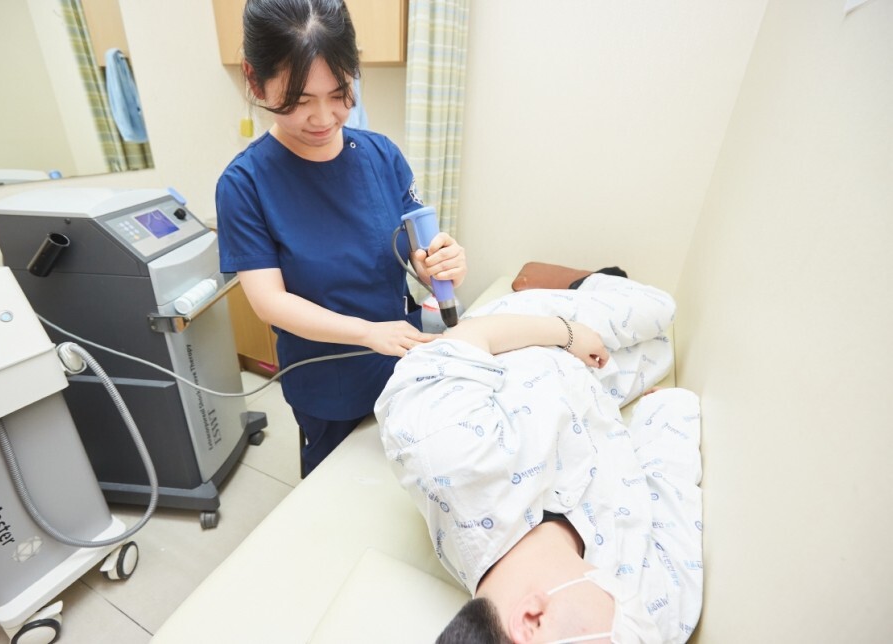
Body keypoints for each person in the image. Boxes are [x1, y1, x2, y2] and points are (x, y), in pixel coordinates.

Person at [375, 271, 703, 643]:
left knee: (659, 309)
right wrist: (663, 410)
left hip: (526, 344)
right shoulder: (659, 612)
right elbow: (672, 470)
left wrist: (568, 333)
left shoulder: (448, 455)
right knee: (662, 351)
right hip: (592, 397)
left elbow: (471, 337)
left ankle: (580, 283)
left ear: (532, 619)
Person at [215, 0, 467, 477]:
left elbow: (415, 250)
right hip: (328, 383)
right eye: (299, 100)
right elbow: (270, 302)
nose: (324, 117)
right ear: (254, 80)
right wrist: (367, 333)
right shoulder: (245, 184)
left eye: (339, 93)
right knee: (341, 488)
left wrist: (439, 263)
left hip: (403, 361)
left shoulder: (381, 155)